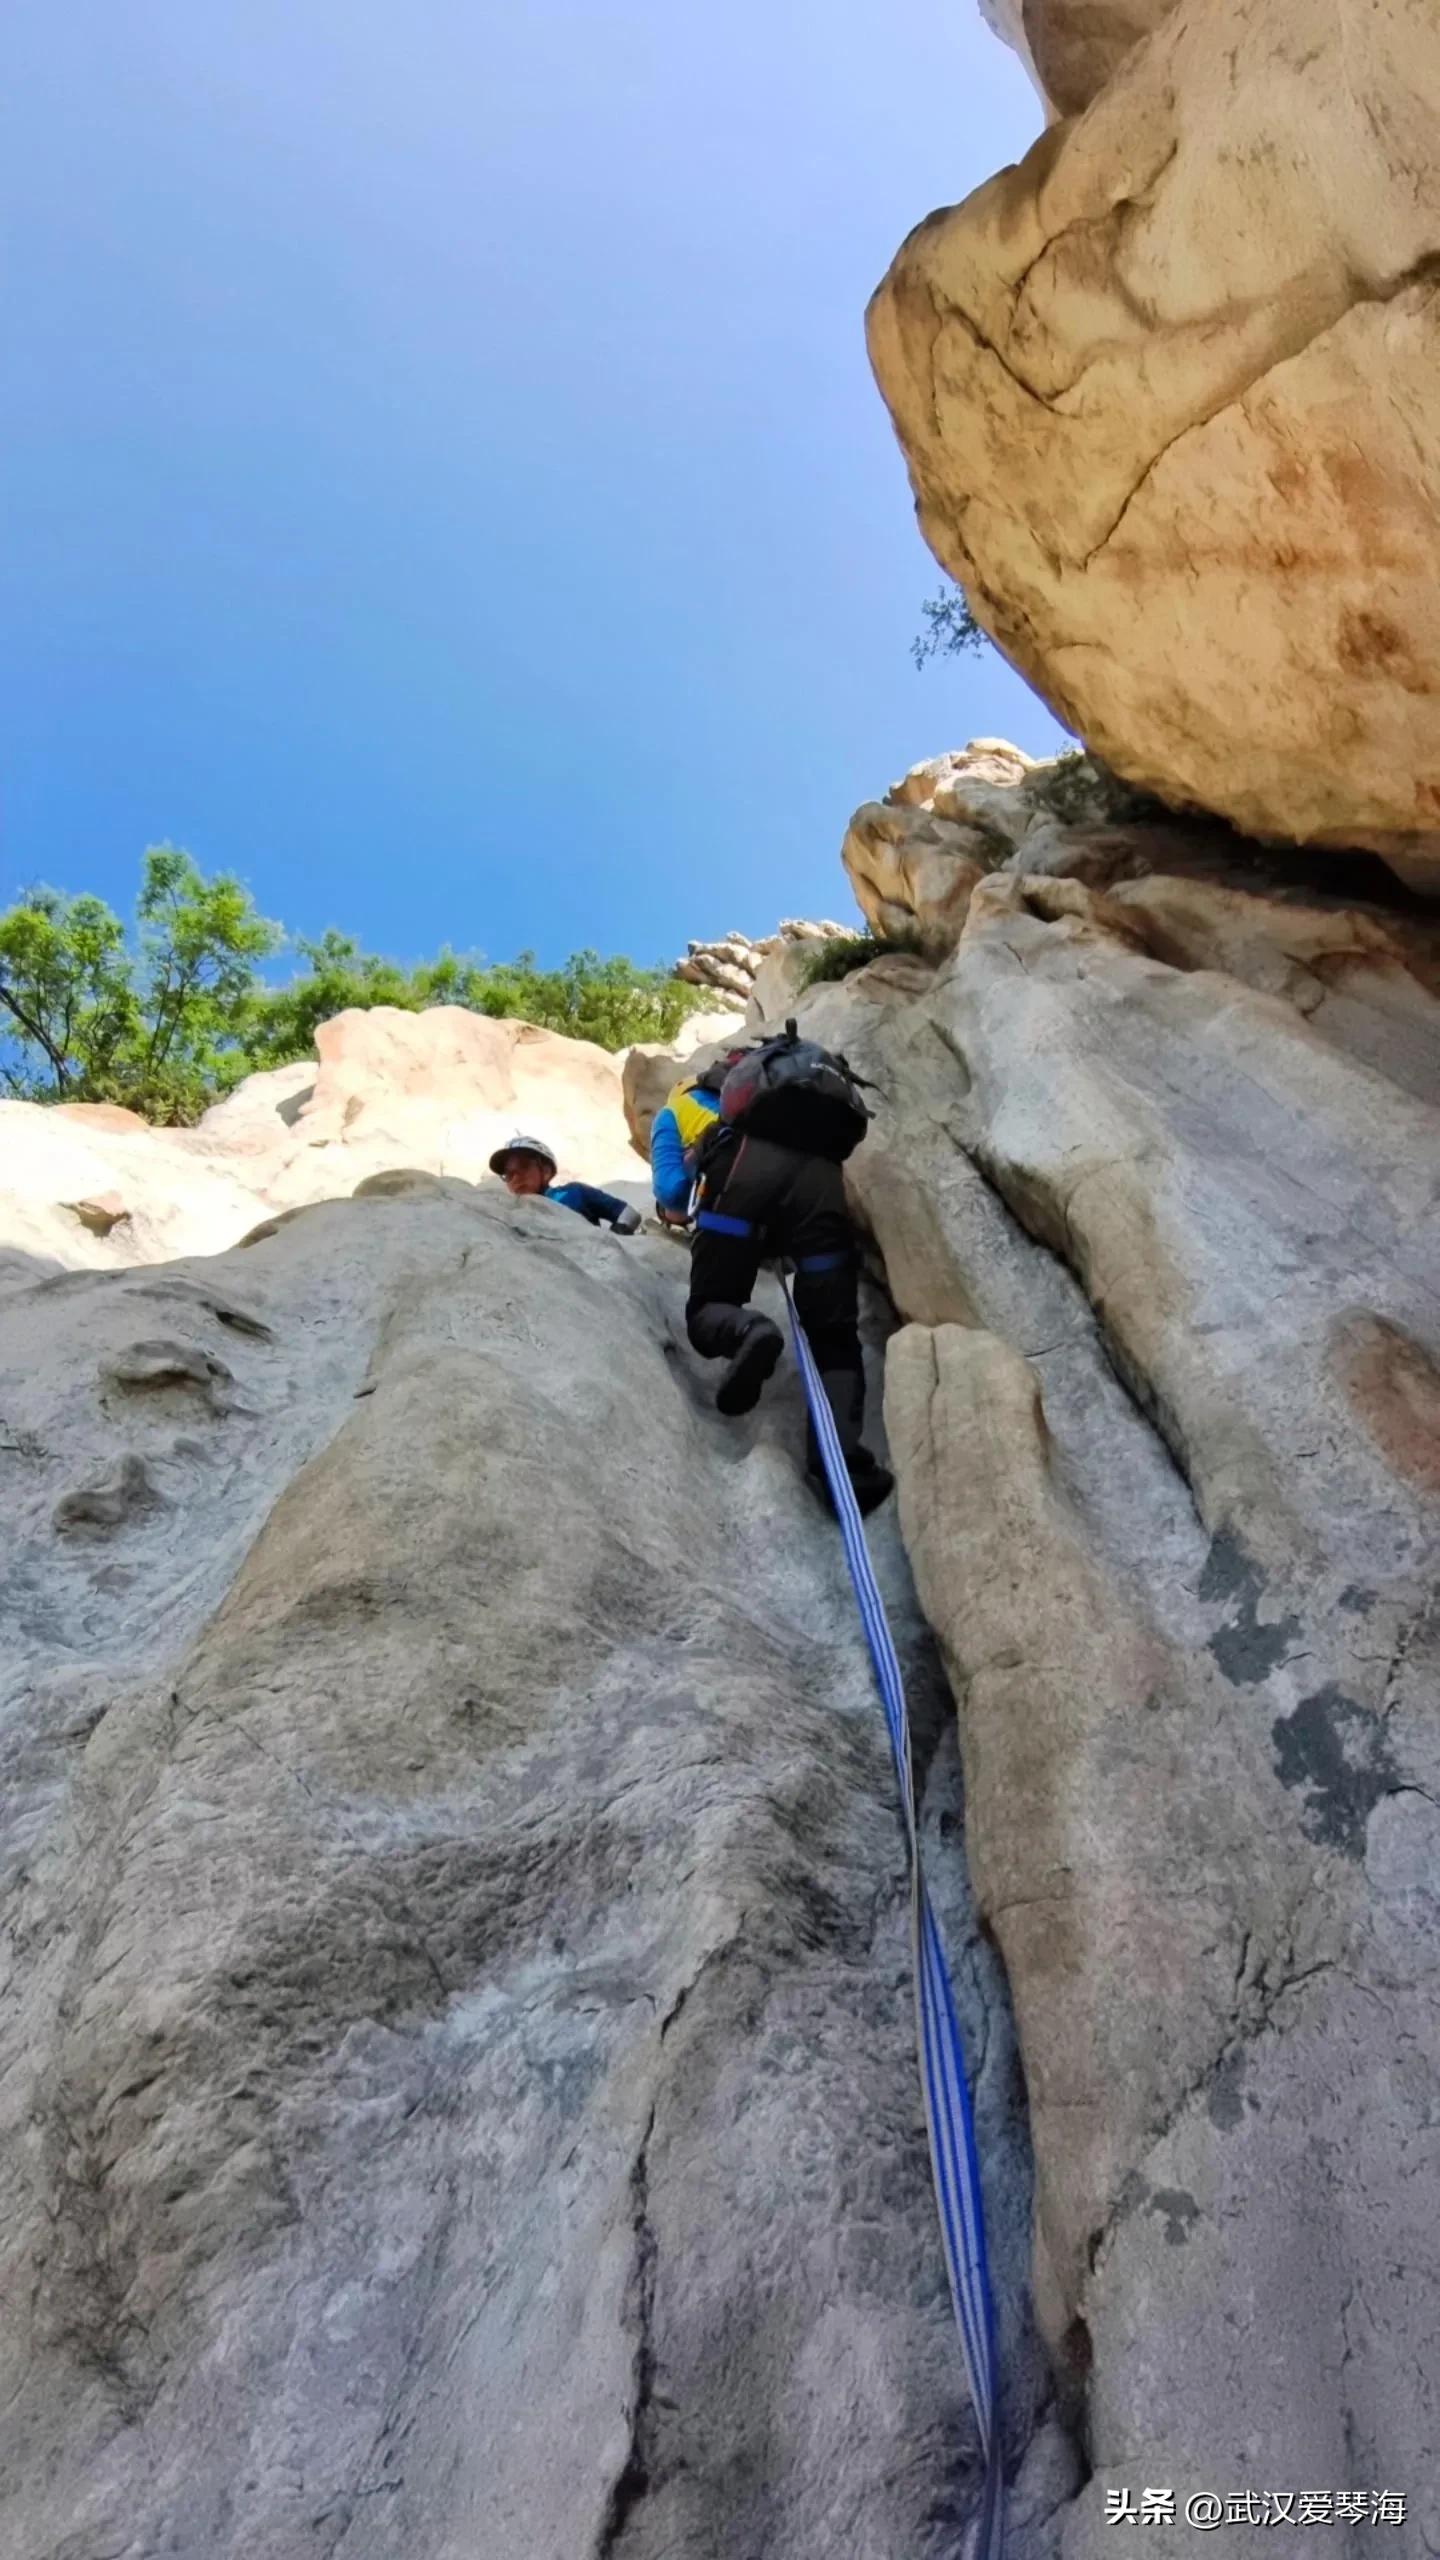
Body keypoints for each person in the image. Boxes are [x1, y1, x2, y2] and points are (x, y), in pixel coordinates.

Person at [653, 1042, 893, 1518]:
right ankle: (844, 1468)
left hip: (740, 1175)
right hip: (819, 1180)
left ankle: (750, 1331)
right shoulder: (796, 1099)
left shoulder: (676, 1107)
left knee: (708, 1307)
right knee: (834, 1334)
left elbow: (673, 1195)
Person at [488, 1134, 641, 1232]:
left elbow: (628, 1214)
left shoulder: (574, 1193)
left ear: (546, 1170)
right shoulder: (509, 1216)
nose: (516, 1178)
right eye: (508, 1174)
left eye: (524, 1166)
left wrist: (612, 1245)